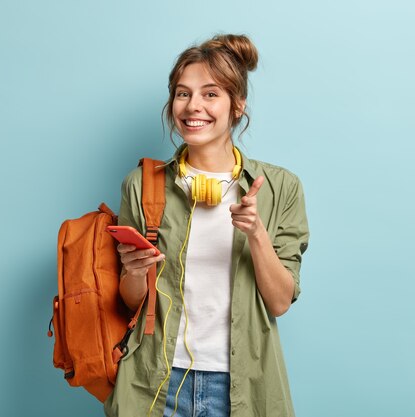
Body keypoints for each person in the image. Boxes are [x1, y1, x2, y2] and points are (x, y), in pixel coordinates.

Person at [104, 33, 309, 417]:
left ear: (237, 105)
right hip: (154, 382)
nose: (192, 106)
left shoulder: (281, 188)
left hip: (242, 386)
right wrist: (134, 271)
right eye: (182, 94)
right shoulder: (142, 184)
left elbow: (280, 302)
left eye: (210, 94)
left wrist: (257, 233)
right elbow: (132, 300)